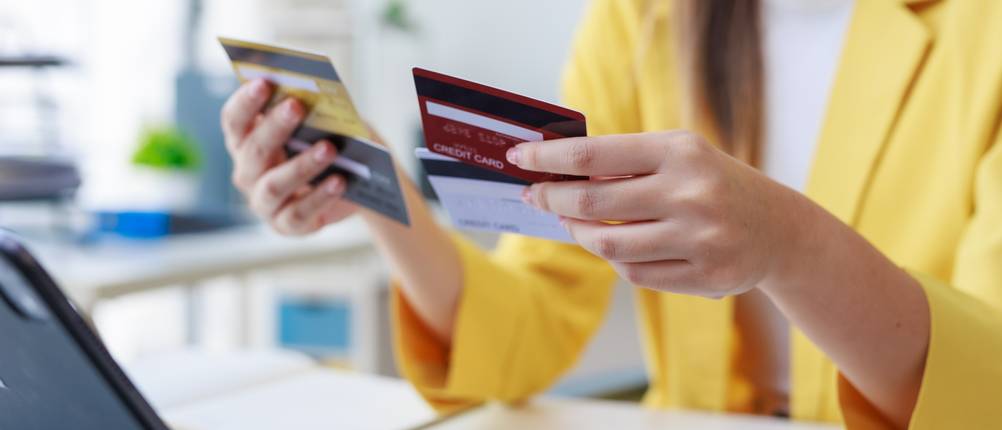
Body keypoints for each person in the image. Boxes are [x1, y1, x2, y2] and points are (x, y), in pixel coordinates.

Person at [219, 0, 1002, 428]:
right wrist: (374, 186)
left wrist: (789, 245)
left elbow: (991, 384)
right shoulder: (642, 19)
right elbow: (530, 328)